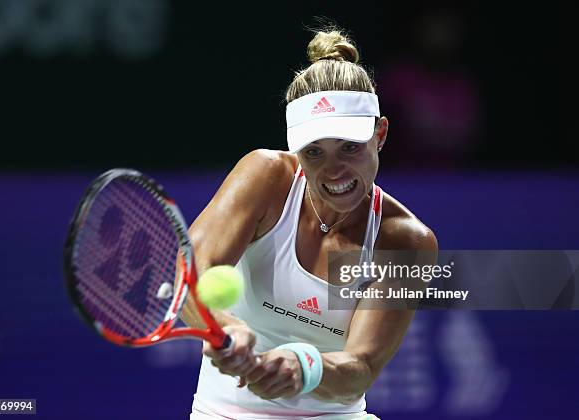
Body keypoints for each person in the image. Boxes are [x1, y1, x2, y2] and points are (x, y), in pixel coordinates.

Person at [184, 28, 438, 419]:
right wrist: (224, 324)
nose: (333, 171)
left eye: (350, 147)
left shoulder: (404, 240)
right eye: (314, 152)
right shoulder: (265, 176)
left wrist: (305, 367)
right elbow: (190, 273)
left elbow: (361, 370)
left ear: (380, 135)